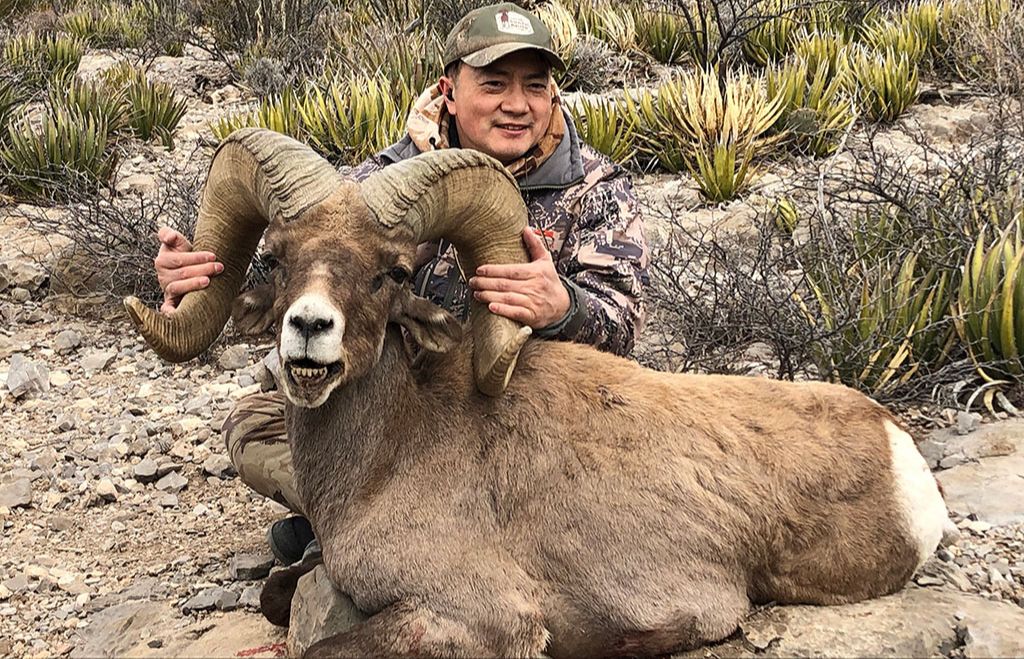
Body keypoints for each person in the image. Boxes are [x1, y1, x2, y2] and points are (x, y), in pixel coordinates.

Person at [153, 2, 649, 564]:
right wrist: (200, 279)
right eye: (494, 84)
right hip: (400, 414)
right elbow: (309, 285)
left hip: (520, 422)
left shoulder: (596, 191)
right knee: (254, 424)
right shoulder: (378, 184)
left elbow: (624, 330)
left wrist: (565, 307)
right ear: (449, 91)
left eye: (535, 85)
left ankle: (376, 529)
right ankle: (377, 522)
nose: (517, 104)